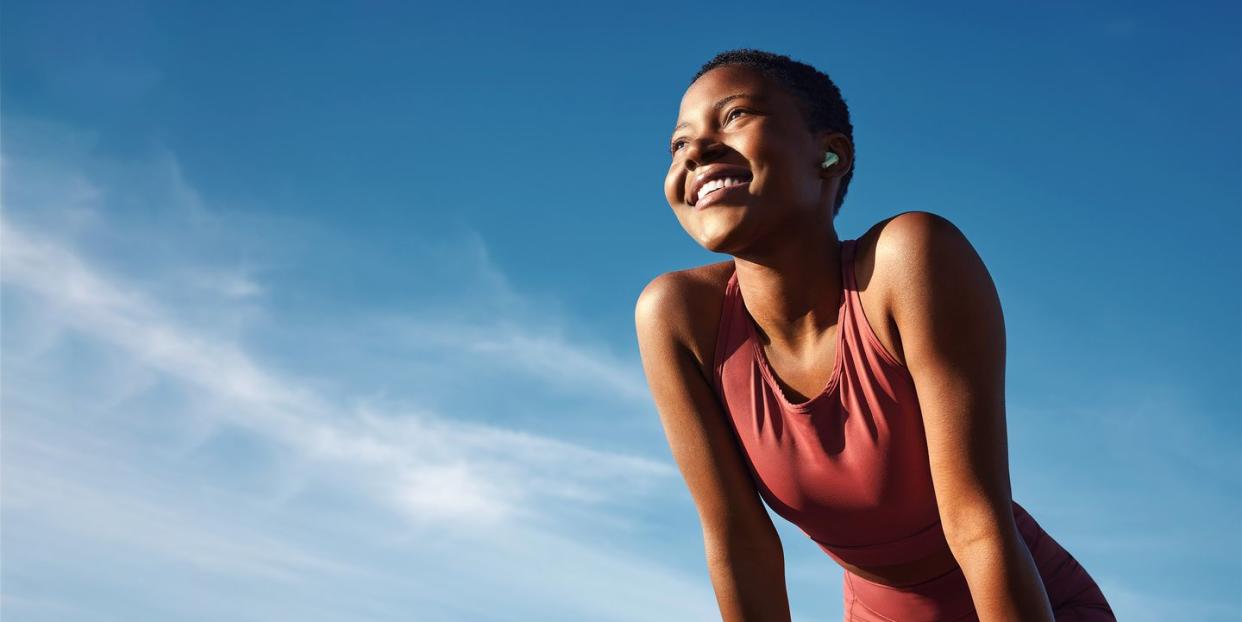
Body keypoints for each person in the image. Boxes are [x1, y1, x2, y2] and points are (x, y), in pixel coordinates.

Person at [634, 49, 1116, 621]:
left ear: (831, 153)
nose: (696, 150)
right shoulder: (679, 317)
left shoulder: (908, 261)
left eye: (735, 115)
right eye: (677, 143)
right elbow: (741, 545)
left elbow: (978, 527)